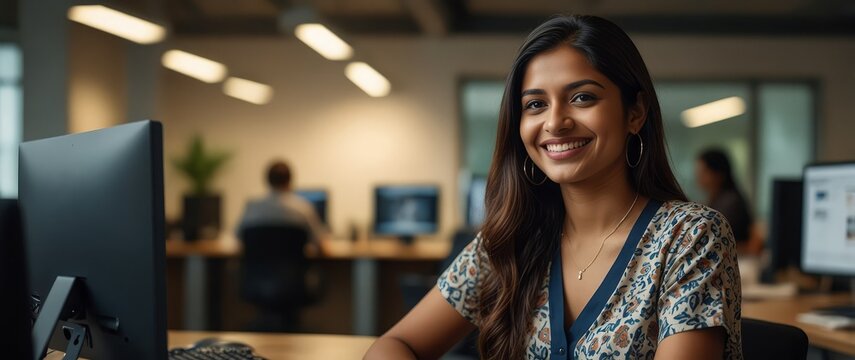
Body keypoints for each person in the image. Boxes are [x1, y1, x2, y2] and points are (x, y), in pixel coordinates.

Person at [365, 15, 741, 359]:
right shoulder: (512, 240)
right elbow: (395, 344)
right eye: (535, 104)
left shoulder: (690, 236)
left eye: (582, 98)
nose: (555, 122)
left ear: (635, 112)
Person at [236, 160, 328, 251]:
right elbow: (320, 242)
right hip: (293, 265)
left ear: (267, 180)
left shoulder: (252, 207)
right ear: (290, 180)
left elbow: (238, 237)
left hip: (257, 265)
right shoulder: (303, 208)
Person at [695, 149, 756, 255]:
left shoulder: (730, 202)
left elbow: (713, 236)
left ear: (718, 174)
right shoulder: (716, 199)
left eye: (703, 172)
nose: (698, 177)